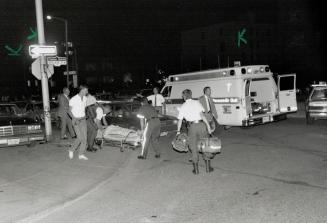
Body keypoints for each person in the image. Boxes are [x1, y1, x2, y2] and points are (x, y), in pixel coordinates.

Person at [176, 89, 213, 175]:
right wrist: (208, 126)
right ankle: (208, 168)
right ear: (191, 95)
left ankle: (196, 170)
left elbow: (180, 120)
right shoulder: (197, 103)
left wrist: (178, 131)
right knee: (205, 145)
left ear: (184, 96)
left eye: (183, 96)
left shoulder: (183, 106)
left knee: (193, 146)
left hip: (192, 127)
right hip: (201, 125)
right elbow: (202, 115)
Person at [68, 85, 89, 160]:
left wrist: (85, 116)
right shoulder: (73, 99)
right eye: (86, 90)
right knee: (80, 137)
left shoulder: (85, 98)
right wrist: (74, 118)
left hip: (83, 120)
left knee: (85, 138)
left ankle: (81, 154)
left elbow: (84, 109)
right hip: (75, 120)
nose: (87, 92)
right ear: (82, 90)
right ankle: (71, 150)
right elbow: (69, 111)